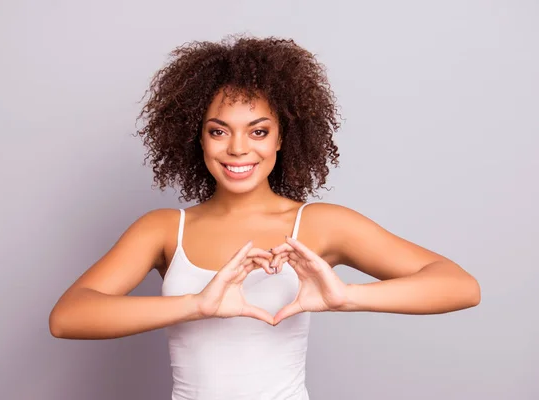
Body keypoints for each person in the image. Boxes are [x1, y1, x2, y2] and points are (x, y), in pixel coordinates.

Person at [49, 35, 481, 399]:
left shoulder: (319, 225)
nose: (238, 148)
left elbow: (460, 286)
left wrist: (347, 297)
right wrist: (196, 305)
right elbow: (68, 317)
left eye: (258, 131)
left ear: (281, 139)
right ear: (196, 138)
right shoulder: (163, 229)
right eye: (218, 131)